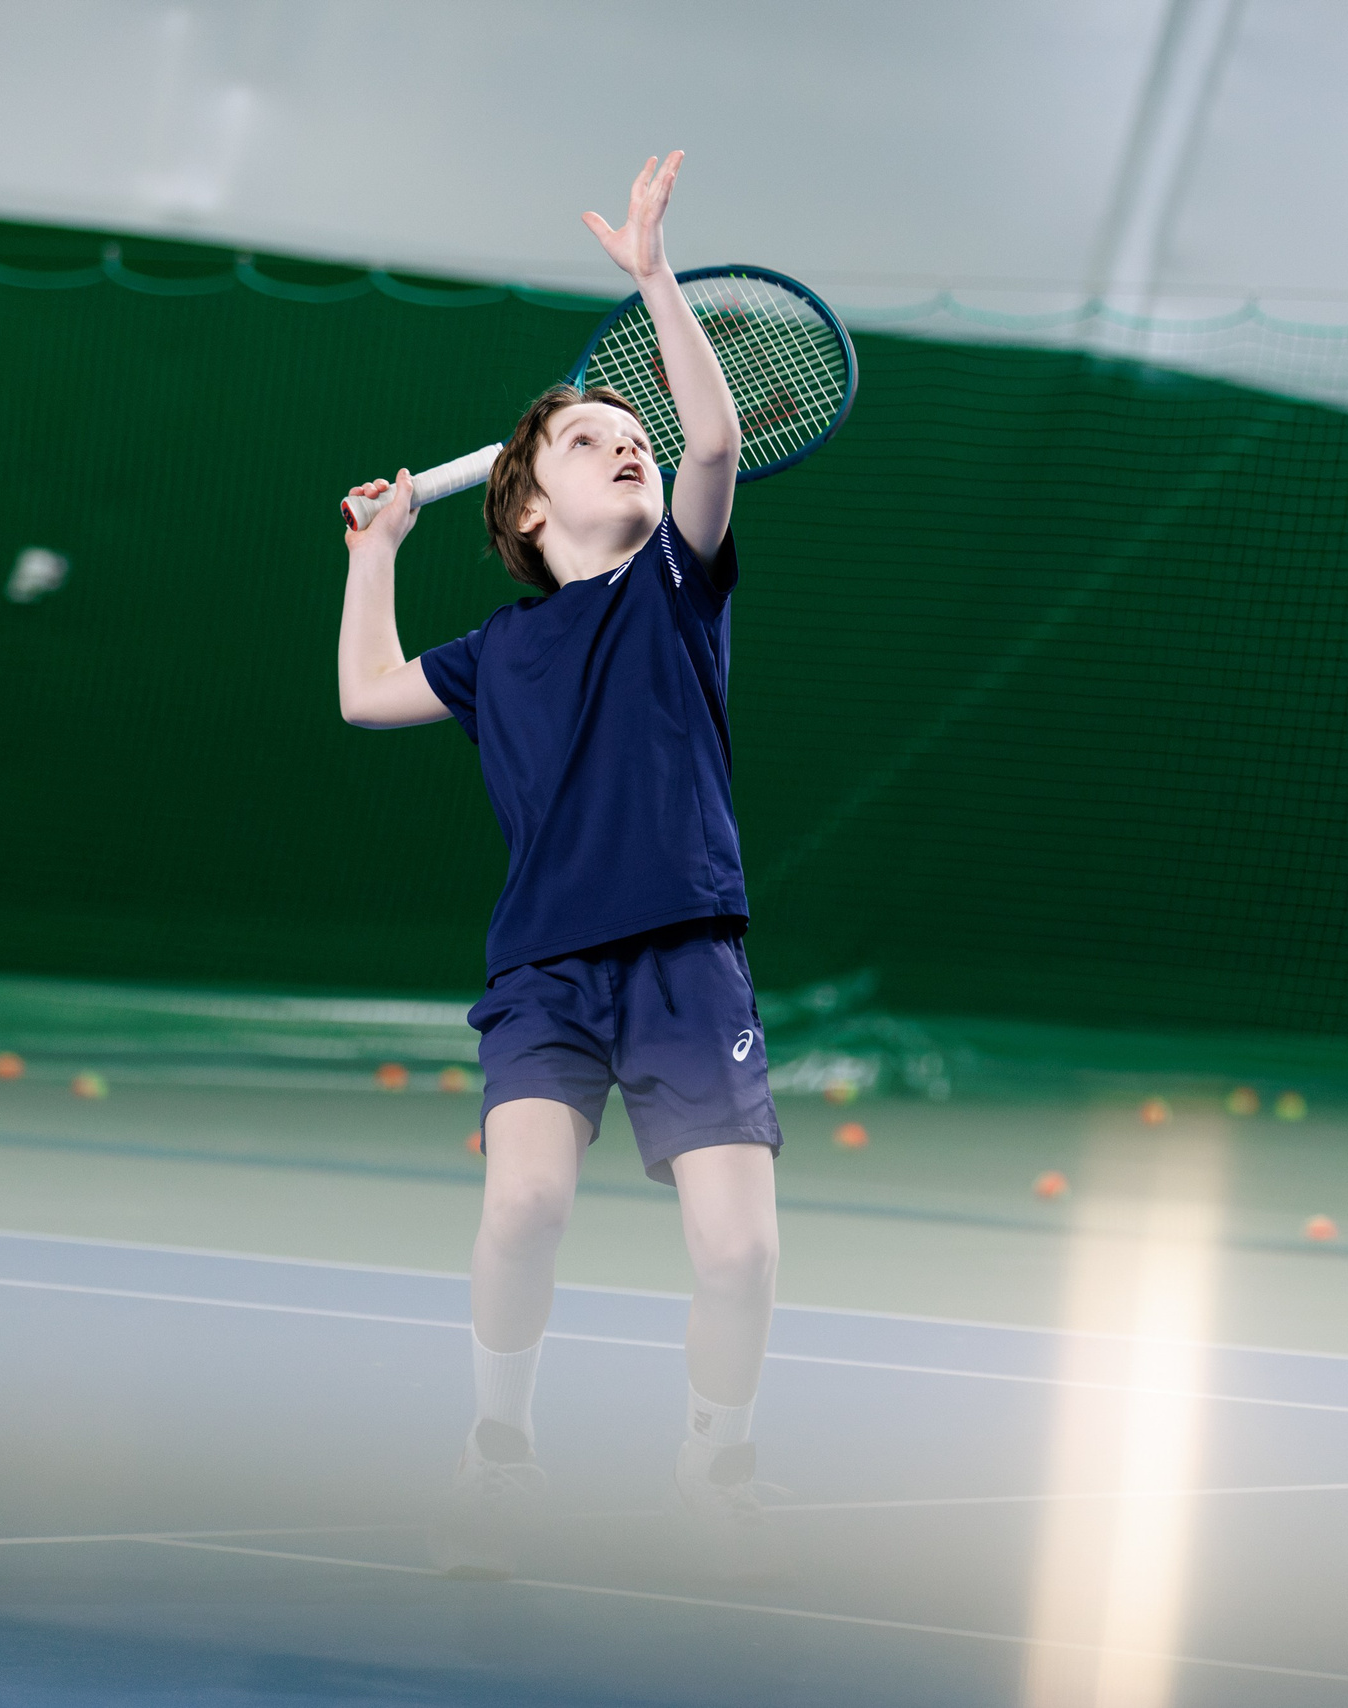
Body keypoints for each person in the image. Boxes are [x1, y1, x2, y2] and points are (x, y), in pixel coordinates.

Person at [334, 152, 784, 1581]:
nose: (631, 444)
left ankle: (715, 1460)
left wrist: (656, 282)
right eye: (591, 442)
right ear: (527, 511)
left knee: (740, 1255)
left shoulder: (676, 588)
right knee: (523, 1202)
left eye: (629, 436)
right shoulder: (496, 651)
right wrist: (374, 550)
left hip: (686, 957)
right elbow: (363, 694)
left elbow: (712, 445)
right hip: (543, 968)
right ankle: (499, 1446)